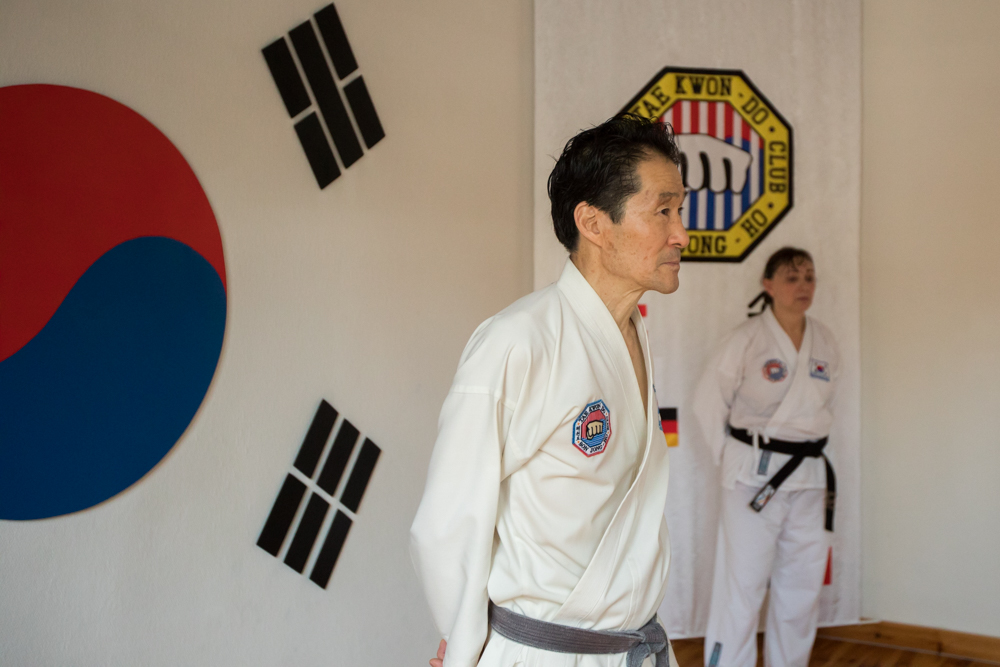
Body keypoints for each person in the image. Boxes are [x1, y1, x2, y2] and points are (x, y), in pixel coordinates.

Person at [410, 114, 689, 667]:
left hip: (630, 645)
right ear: (593, 222)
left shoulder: (631, 333)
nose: (681, 233)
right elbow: (449, 520)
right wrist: (462, 647)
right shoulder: (518, 340)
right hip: (543, 653)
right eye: (663, 211)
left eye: (679, 211)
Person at [692, 247, 840, 667]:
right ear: (768, 285)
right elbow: (707, 402)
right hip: (752, 477)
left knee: (802, 587)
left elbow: (825, 407)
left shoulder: (825, 340)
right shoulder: (747, 338)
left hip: (810, 476)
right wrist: (733, 457)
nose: (803, 286)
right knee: (742, 584)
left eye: (809, 277)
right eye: (792, 278)